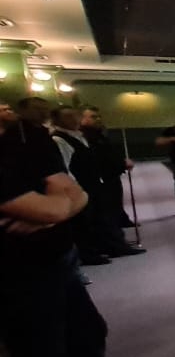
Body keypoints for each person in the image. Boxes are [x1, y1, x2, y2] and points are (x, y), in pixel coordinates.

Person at [0, 100, 163, 357]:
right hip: (16, 270)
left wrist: (56, 209)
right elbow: (56, 204)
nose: (4, 106)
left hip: (58, 257)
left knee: (88, 332)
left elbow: (76, 195)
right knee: (39, 354)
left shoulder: (27, 140)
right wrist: (58, 206)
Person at [52, 105, 144, 259]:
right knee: (87, 221)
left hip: (96, 182)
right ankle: (92, 252)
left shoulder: (81, 135)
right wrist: (75, 189)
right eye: (68, 116)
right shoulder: (59, 139)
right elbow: (64, 168)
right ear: (57, 120)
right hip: (81, 186)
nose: (74, 119)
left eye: (75, 116)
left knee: (102, 217)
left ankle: (109, 246)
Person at [81, 105, 136, 231]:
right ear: (82, 118)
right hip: (101, 176)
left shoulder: (98, 133)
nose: (98, 119)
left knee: (116, 200)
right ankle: (115, 232)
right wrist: (122, 164)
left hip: (112, 174)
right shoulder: (86, 136)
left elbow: (110, 152)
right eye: (93, 117)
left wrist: (122, 162)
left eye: (98, 117)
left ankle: (121, 220)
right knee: (107, 206)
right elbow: (100, 157)